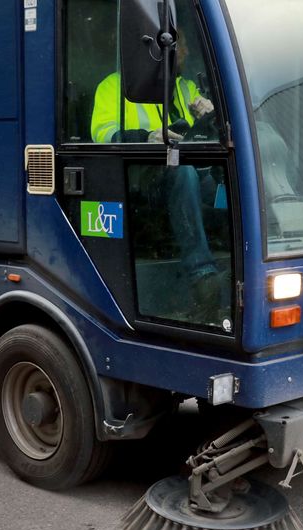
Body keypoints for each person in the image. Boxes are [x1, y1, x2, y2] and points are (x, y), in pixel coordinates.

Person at [90, 34, 222, 319]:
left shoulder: (185, 88)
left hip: (188, 176)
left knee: (224, 187)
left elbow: (204, 136)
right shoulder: (113, 86)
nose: (186, 51)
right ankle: (203, 276)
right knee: (183, 174)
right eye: (182, 45)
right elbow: (102, 134)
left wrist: (214, 115)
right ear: (161, 48)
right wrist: (147, 137)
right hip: (139, 181)